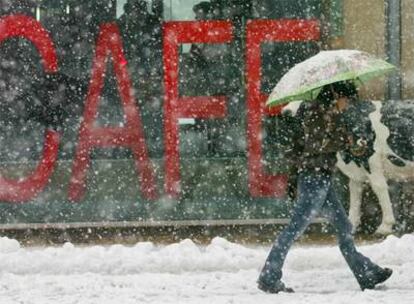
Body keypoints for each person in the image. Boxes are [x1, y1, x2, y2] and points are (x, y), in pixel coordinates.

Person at [257, 81, 393, 293]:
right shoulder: (317, 112)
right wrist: (343, 140)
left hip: (322, 177)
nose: (347, 104)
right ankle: (269, 276)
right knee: (295, 228)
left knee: (344, 227)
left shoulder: (326, 113)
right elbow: (317, 145)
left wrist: (351, 144)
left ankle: (366, 273)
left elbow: (323, 144)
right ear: (337, 95)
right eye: (346, 99)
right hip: (314, 178)